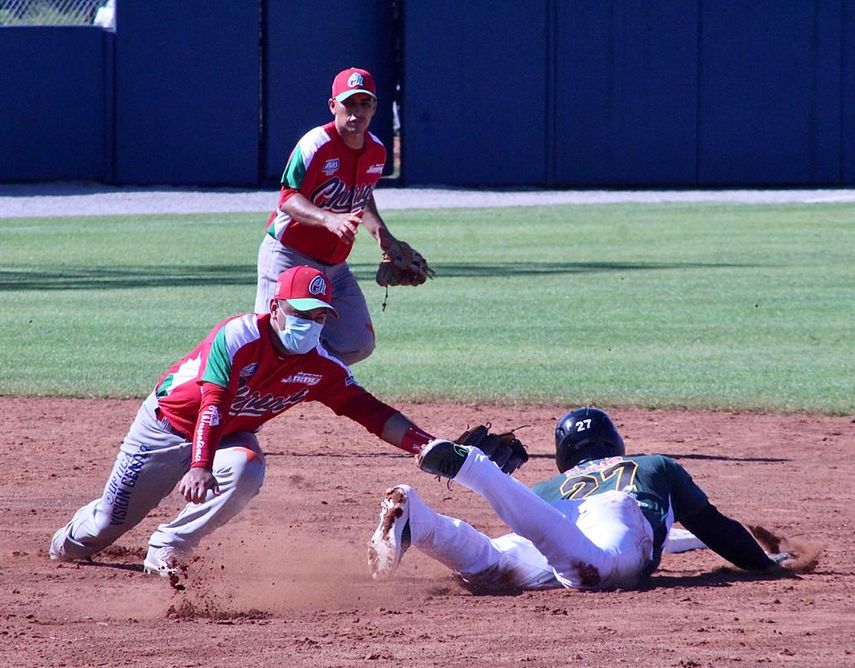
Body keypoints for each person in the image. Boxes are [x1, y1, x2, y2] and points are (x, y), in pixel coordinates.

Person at [50, 266, 442, 577]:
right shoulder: (238, 336)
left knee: (246, 469)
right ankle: (61, 547)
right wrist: (200, 465)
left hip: (228, 436)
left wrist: (425, 445)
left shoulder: (320, 366)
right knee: (105, 526)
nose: (310, 322)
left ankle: (168, 546)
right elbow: (212, 402)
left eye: (320, 315)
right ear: (276, 307)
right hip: (166, 428)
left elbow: (370, 411)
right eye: (300, 312)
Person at [368, 407, 811, 591]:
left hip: (551, 516)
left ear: (564, 456)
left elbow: (683, 538)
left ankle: (421, 522)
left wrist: (691, 544)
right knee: (591, 572)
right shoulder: (654, 465)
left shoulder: (548, 487)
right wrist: (762, 563)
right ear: (615, 442)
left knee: (490, 566)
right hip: (613, 516)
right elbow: (713, 527)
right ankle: (475, 468)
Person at [255, 67, 428, 365]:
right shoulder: (315, 145)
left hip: (335, 265)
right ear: (333, 105)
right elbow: (287, 199)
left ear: (374, 108)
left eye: (364, 104)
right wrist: (328, 219)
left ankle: (300, 379)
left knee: (358, 343)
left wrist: (384, 237)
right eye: (349, 103)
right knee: (268, 343)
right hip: (288, 256)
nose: (356, 112)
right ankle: (238, 396)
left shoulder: (376, 151)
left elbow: (363, 195)